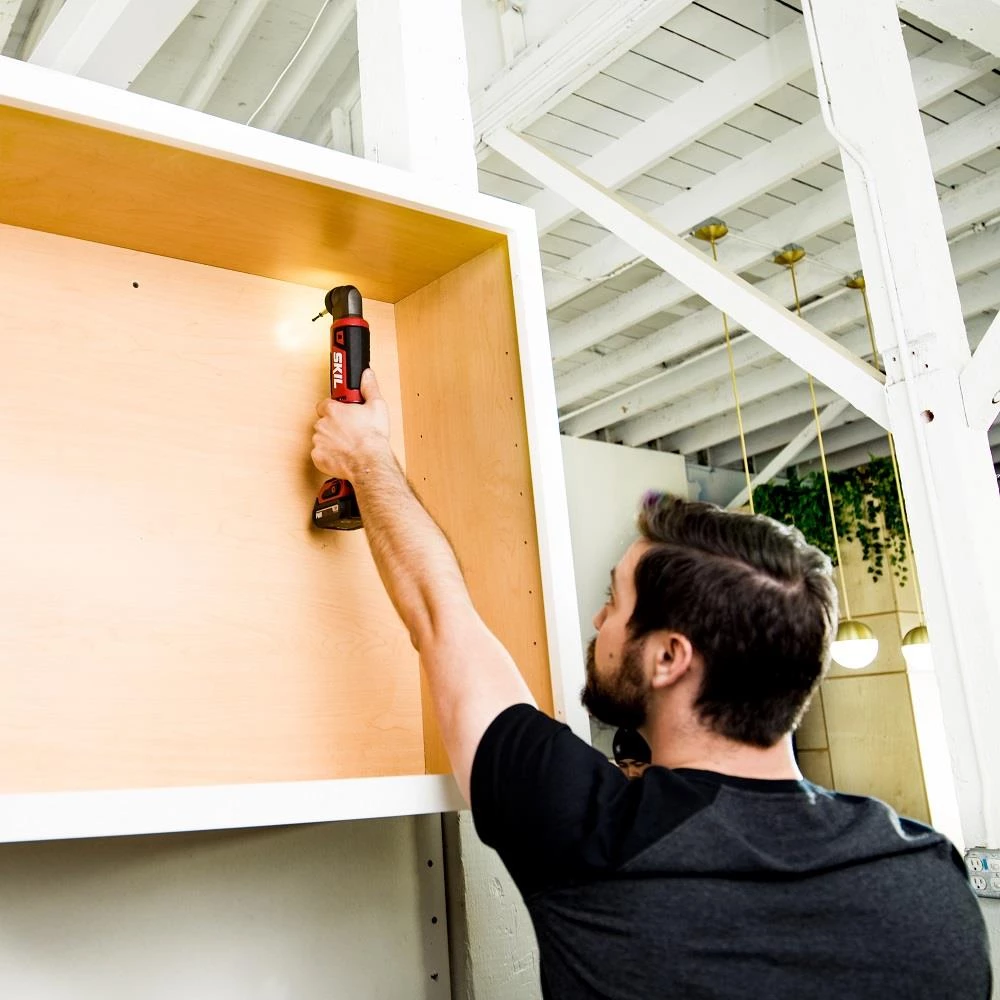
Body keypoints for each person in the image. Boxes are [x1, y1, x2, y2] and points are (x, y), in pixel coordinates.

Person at [311, 371, 992, 1000]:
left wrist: (366, 457)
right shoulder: (928, 873)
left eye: (614, 601)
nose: (599, 622)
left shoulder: (589, 832)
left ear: (668, 657)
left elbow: (441, 614)